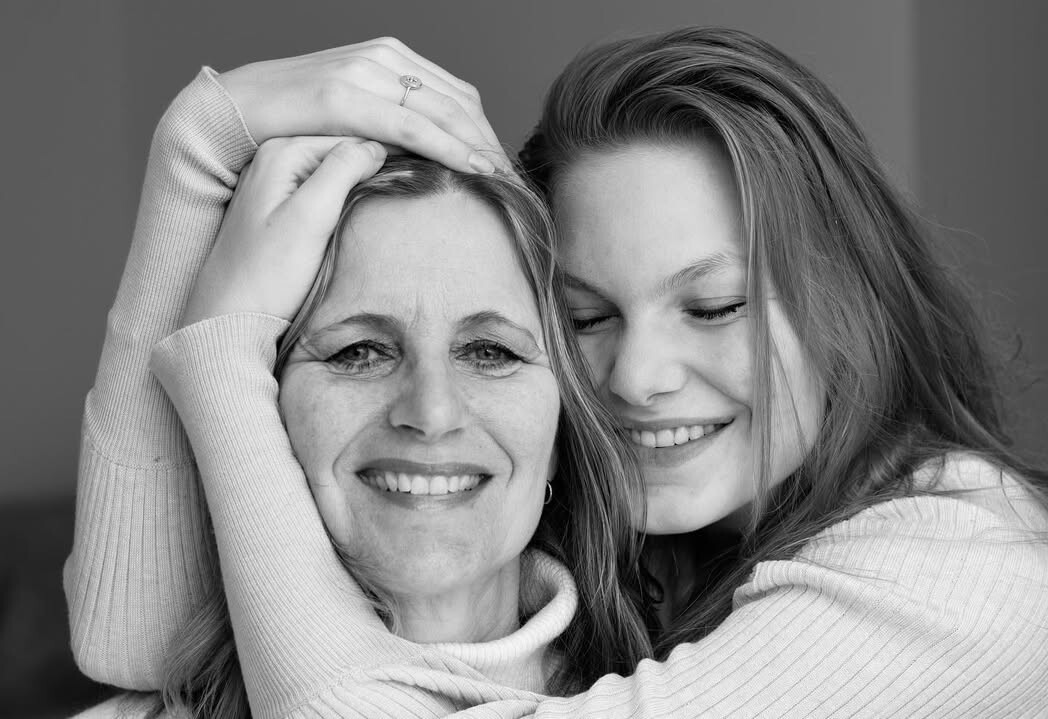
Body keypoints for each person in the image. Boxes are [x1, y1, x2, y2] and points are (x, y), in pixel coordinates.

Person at [68, 28, 1048, 717]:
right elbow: (134, 636)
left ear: (853, 300)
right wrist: (194, 154)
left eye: (714, 305)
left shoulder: (970, 576)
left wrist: (222, 349)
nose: (636, 378)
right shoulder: (639, 538)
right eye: (584, 317)